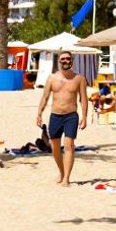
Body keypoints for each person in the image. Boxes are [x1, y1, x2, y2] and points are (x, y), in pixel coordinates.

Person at [36, 51, 88, 186]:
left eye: (68, 59)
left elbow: (83, 99)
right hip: (55, 115)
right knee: (55, 147)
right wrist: (39, 114)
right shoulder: (51, 78)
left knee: (69, 146)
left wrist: (84, 117)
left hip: (71, 116)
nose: (65, 61)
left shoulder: (79, 79)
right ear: (59, 61)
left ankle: (66, 179)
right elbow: (45, 97)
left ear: (72, 61)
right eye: (63, 59)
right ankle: (62, 172)